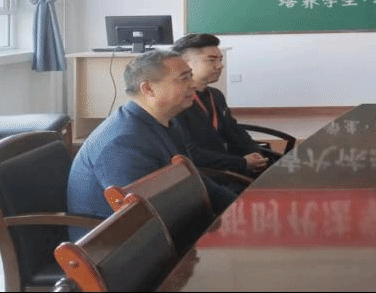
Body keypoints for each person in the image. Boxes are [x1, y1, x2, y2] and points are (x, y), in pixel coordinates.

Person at [67, 50, 237, 237]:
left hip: (166, 225)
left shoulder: (167, 121)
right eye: (184, 79)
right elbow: (146, 216)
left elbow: (193, 179)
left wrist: (238, 205)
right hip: (119, 244)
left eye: (191, 76)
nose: (193, 85)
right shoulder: (123, 142)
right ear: (148, 89)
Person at [172, 33, 273, 177]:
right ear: (185, 63)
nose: (220, 66)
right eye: (211, 60)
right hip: (209, 175)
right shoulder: (176, 102)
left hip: (230, 164)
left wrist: (255, 153)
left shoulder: (215, 95)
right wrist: (241, 163)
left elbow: (234, 131)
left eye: (220, 59)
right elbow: (190, 153)